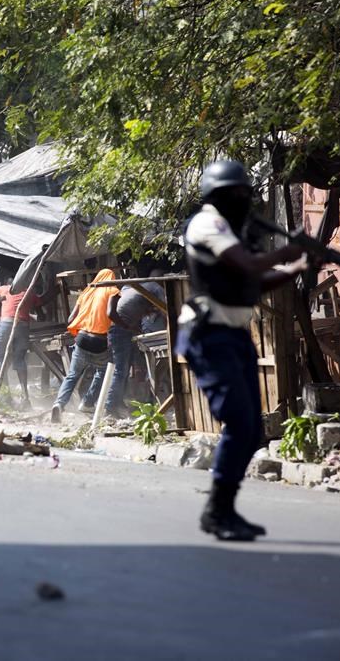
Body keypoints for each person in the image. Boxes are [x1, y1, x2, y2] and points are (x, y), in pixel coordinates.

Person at [176, 160, 307, 542]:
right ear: (218, 196)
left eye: (244, 192)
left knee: (252, 432)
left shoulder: (233, 231)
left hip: (233, 335)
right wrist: (288, 253)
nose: (243, 199)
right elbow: (248, 265)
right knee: (239, 420)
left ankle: (224, 509)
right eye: (235, 193)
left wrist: (297, 267)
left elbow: (253, 281)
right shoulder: (208, 223)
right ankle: (216, 512)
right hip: (208, 334)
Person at [51, 268, 120, 422]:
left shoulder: (87, 291)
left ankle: (59, 404)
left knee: (72, 375)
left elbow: (70, 319)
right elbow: (111, 313)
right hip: (98, 340)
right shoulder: (112, 290)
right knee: (103, 371)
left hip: (81, 339)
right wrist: (127, 325)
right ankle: (88, 402)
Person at [101, 268, 167, 418]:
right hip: (121, 330)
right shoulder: (156, 287)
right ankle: (110, 407)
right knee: (121, 371)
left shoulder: (131, 286)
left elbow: (134, 308)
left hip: (118, 331)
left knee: (128, 369)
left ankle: (123, 404)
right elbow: (166, 312)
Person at [0, 276, 51, 405]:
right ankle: (25, 398)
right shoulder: (29, 292)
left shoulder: (5, 289)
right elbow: (41, 315)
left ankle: (5, 395)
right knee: (20, 359)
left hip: (6, 324)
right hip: (23, 326)